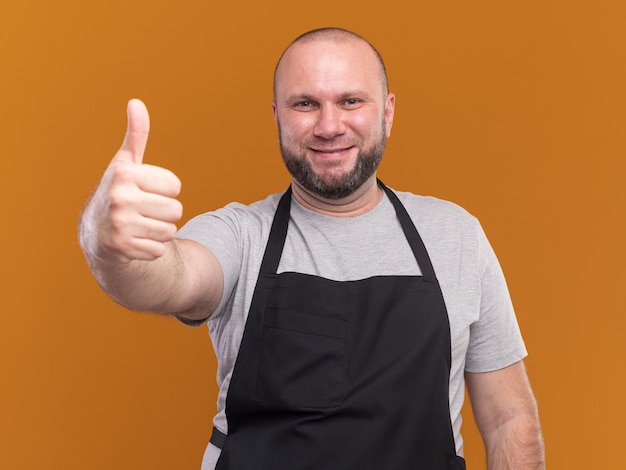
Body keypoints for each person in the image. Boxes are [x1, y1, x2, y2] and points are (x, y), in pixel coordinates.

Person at [79, 27, 545, 470]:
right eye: (305, 103)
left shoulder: (456, 235)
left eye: (350, 101)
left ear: (387, 112)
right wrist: (108, 243)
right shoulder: (241, 234)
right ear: (278, 115)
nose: (329, 125)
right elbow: (167, 278)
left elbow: (510, 419)